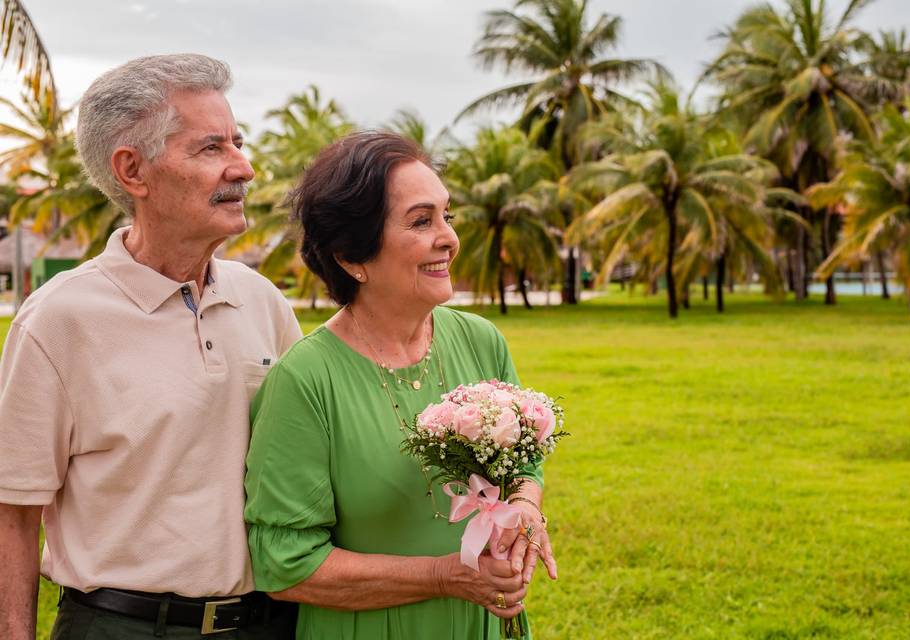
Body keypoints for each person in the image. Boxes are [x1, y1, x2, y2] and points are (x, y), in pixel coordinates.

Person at [0, 54, 301, 639]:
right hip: (123, 627)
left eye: (238, 142)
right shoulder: (58, 319)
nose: (244, 167)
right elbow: (13, 511)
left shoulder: (263, 301)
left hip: (267, 622)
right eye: (212, 148)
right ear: (133, 170)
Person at [243, 131, 558, 640]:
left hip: (483, 621)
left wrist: (523, 508)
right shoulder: (304, 381)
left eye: (446, 216)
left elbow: (524, 463)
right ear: (352, 257)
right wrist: (444, 577)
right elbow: (286, 564)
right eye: (421, 221)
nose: (449, 237)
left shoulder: (481, 341)